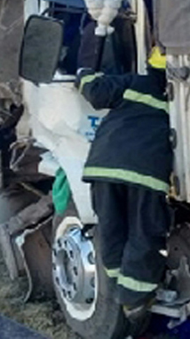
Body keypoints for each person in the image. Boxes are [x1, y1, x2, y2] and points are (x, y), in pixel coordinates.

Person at [75, 46, 172, 320]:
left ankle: (121, 292)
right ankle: (134, 302)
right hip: (147, 176)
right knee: (143, 234)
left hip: (104, 168)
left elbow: (94, 91)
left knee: (112, 230)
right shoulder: (181, 99)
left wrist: (83, 72)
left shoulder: (134, 83)